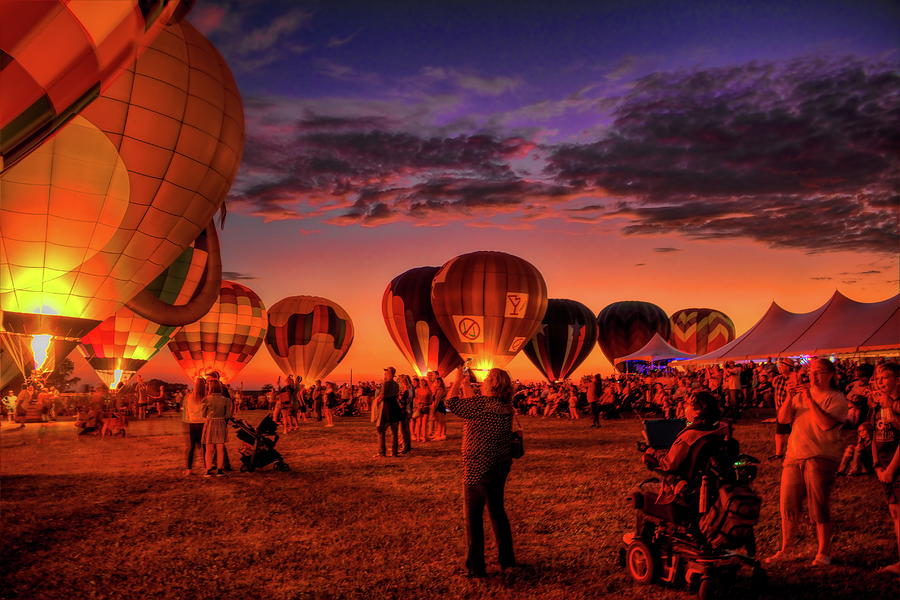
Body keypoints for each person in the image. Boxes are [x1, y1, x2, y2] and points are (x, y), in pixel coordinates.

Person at [766, 358, 848, 567]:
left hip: (821, 456)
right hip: (794, 455)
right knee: (788, 504)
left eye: (818, 372)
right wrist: (789, 397)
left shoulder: (836, 398)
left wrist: (809, 398)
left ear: (830, 375)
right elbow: (783, 419)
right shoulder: (800, 395)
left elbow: (826, 425)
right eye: (811, 372)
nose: (813, 376)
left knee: (818, 506)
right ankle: (786, 549)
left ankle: (823, 552)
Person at [446, 367, 517, 578]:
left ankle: (476, 567)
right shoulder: (505, 406)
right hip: (500, 465)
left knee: (473, 518)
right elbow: (472, 408)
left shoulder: (481, 405)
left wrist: (457, 380)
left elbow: (451, 404)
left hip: (477, 467)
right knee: (497, 512)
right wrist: (468, 386)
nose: (483, 382)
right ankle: (507, 560)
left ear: (492, 384)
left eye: (486, 379)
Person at [871, 362, 900, 576]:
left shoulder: (895, 404)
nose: (881, 381)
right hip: (885, 466)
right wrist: (877, 465)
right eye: (879, 378)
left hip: (896, 466)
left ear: (897, 380)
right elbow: (874, 435)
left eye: (886, 377)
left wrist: (891, 469)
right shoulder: (878, 405)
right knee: (895, 512)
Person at [201, 379, 232, 477]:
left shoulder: (206, 399)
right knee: (220, 449)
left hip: (210, 423)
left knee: (209, 449)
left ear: (210, 388)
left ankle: (208, 470)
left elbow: (203, 414)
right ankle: (219, 470)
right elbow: (228, 415)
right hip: (221, 423)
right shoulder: (226, 400)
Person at [372, 367, 402, 457]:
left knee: (380, 430)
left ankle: (382, 452)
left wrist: (376, 402)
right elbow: (396, 395)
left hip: (386, 408)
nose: (385, 375)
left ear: (390, 374)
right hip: (395, 408)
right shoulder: (396, 385)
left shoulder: (386, 384)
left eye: (386, 373)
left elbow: (382, 395)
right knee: (394, 432)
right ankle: (394, 452)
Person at [182, 377, 207, 476]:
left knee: (191, 447)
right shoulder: (206, 398)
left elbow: (186, 411)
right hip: (203, 423)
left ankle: (189, 469)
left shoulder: (189, 397)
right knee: (204, 447)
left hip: (192, 423)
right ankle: (206, 467)